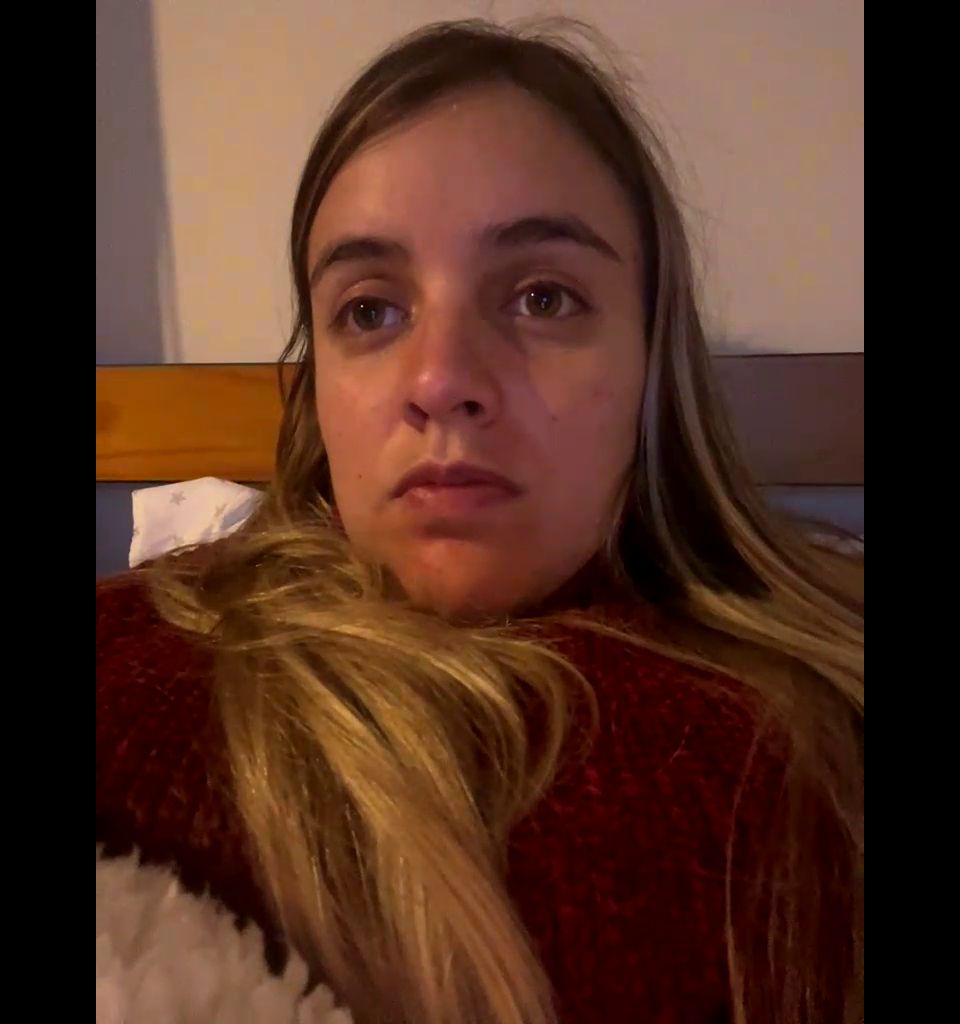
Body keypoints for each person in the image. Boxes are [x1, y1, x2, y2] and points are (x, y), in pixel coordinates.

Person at [96, 17, 863, 1024]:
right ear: (317, 385)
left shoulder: (828, 727)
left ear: (649, 358)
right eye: (370, 311)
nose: (442, 379)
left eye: (542, 297)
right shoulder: (127, 671)